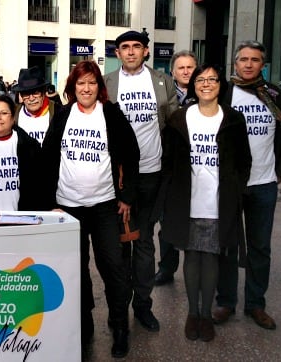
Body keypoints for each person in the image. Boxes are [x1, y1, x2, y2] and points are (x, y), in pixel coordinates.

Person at [42, 60, 139, 358]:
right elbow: (48, 157)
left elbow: (132, 153)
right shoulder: (62, 116)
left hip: (105, 206)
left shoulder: (110, 114)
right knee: (77, 268)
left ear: (100, 87)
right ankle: (83, 324)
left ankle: (119, 325)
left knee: (114, 267)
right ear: (72, 88)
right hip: (69, 207)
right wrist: (50, 202)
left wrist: (126, 196)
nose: (86, 88)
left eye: (92, 83)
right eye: (81, 83)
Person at [160, 64, 252, 342]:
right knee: (191, 257)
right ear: (193, 85)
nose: (206, 84)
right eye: (201, 79)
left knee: (211, 257)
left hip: (218, 201)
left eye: (212, 79)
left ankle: (205, 314)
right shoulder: (179, 119)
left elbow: (244, 161)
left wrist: (234, 189)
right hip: (187, 200)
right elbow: (169, 161)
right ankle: (192, 313)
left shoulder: (233, 120)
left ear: (220, 85)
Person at [103, 29, 178, 332]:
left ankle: (143, 305)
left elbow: (173, 126)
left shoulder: (162, 81)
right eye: (125, 47)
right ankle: (118, 308)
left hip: (151, 174)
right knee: (119, 244)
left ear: (146, 51)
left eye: (137, 47)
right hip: (117, 178)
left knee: (144, 241)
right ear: (117, 53)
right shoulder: (107, 83)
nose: (131, 52)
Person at [215, 40, 281, 330]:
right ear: (235, 63)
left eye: (254, 60)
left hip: (264, 184)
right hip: (232, 184)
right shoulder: (225, 93)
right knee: (227, 246)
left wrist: (280, 172)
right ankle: (225, 302)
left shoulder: (274, 95)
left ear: (263, 64)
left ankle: (256, 304)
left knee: (260, 247)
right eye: (243, 59)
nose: (248, 64)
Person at [153, 50, 199, 287]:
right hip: (168, 167)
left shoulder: (206, 94)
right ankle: (167, 268)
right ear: (172, 72)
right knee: (167, 222)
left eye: (190, 67)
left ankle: (197, 270)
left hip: (197, 169)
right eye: (181, 68)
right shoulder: (162, 93)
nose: (185, 72)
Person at [13, 66, 61, 145]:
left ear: (43, 93)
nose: (31, 98)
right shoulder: (14, 114)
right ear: (21, 95)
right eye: (26, 94)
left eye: (35, 92)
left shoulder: (57, 112)